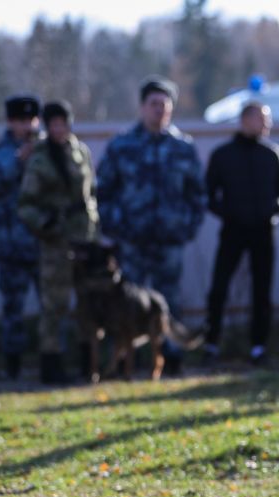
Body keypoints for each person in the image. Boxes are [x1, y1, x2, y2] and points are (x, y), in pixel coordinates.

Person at [96, 76, 206, 376]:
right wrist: (116, 227)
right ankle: (123, 362)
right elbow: (102, 192)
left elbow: (198, 194)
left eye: (164, 105)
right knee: (126, 304)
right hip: (130, 242)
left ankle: (170, 359)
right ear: (142, 107)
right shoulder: (122, 146)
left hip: (168, 241)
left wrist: (186, 227)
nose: (159, 110)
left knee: (168, 303)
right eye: (153, 104)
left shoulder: (182, 148)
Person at [202, 101, 279, 366]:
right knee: (219, 287)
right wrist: (228, 213)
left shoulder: (272, 154)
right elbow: (208, 195)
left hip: (264, 231)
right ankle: (211, 343)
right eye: (262, 119)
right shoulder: (223, 155)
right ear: (245, 120)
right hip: (233, 231)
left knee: (262, 291)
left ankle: (258, 347)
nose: (267, 125)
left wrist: (275, 208)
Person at [16, 101, 98, 385]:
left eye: (63, 123)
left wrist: (94, 231)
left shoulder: (80, 152)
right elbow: (26, 205)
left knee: (88, 302)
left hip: (84, 240)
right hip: (55, 241)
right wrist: (47, 224)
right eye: (53, 124)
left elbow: (92, 195)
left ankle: (90, 363)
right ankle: (51, 365)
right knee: (54, 306)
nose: (59, 129)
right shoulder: (39, 158)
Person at [0, 95, 41, 380]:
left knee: (51, 308)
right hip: (11, 244)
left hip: (44, 242)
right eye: (21, 120)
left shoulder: (48, 148)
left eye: (32, 120)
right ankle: (12, 368)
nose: (27, 125)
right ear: (10, 121)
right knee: (13, 310)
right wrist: (16, 161)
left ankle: (52, 363)